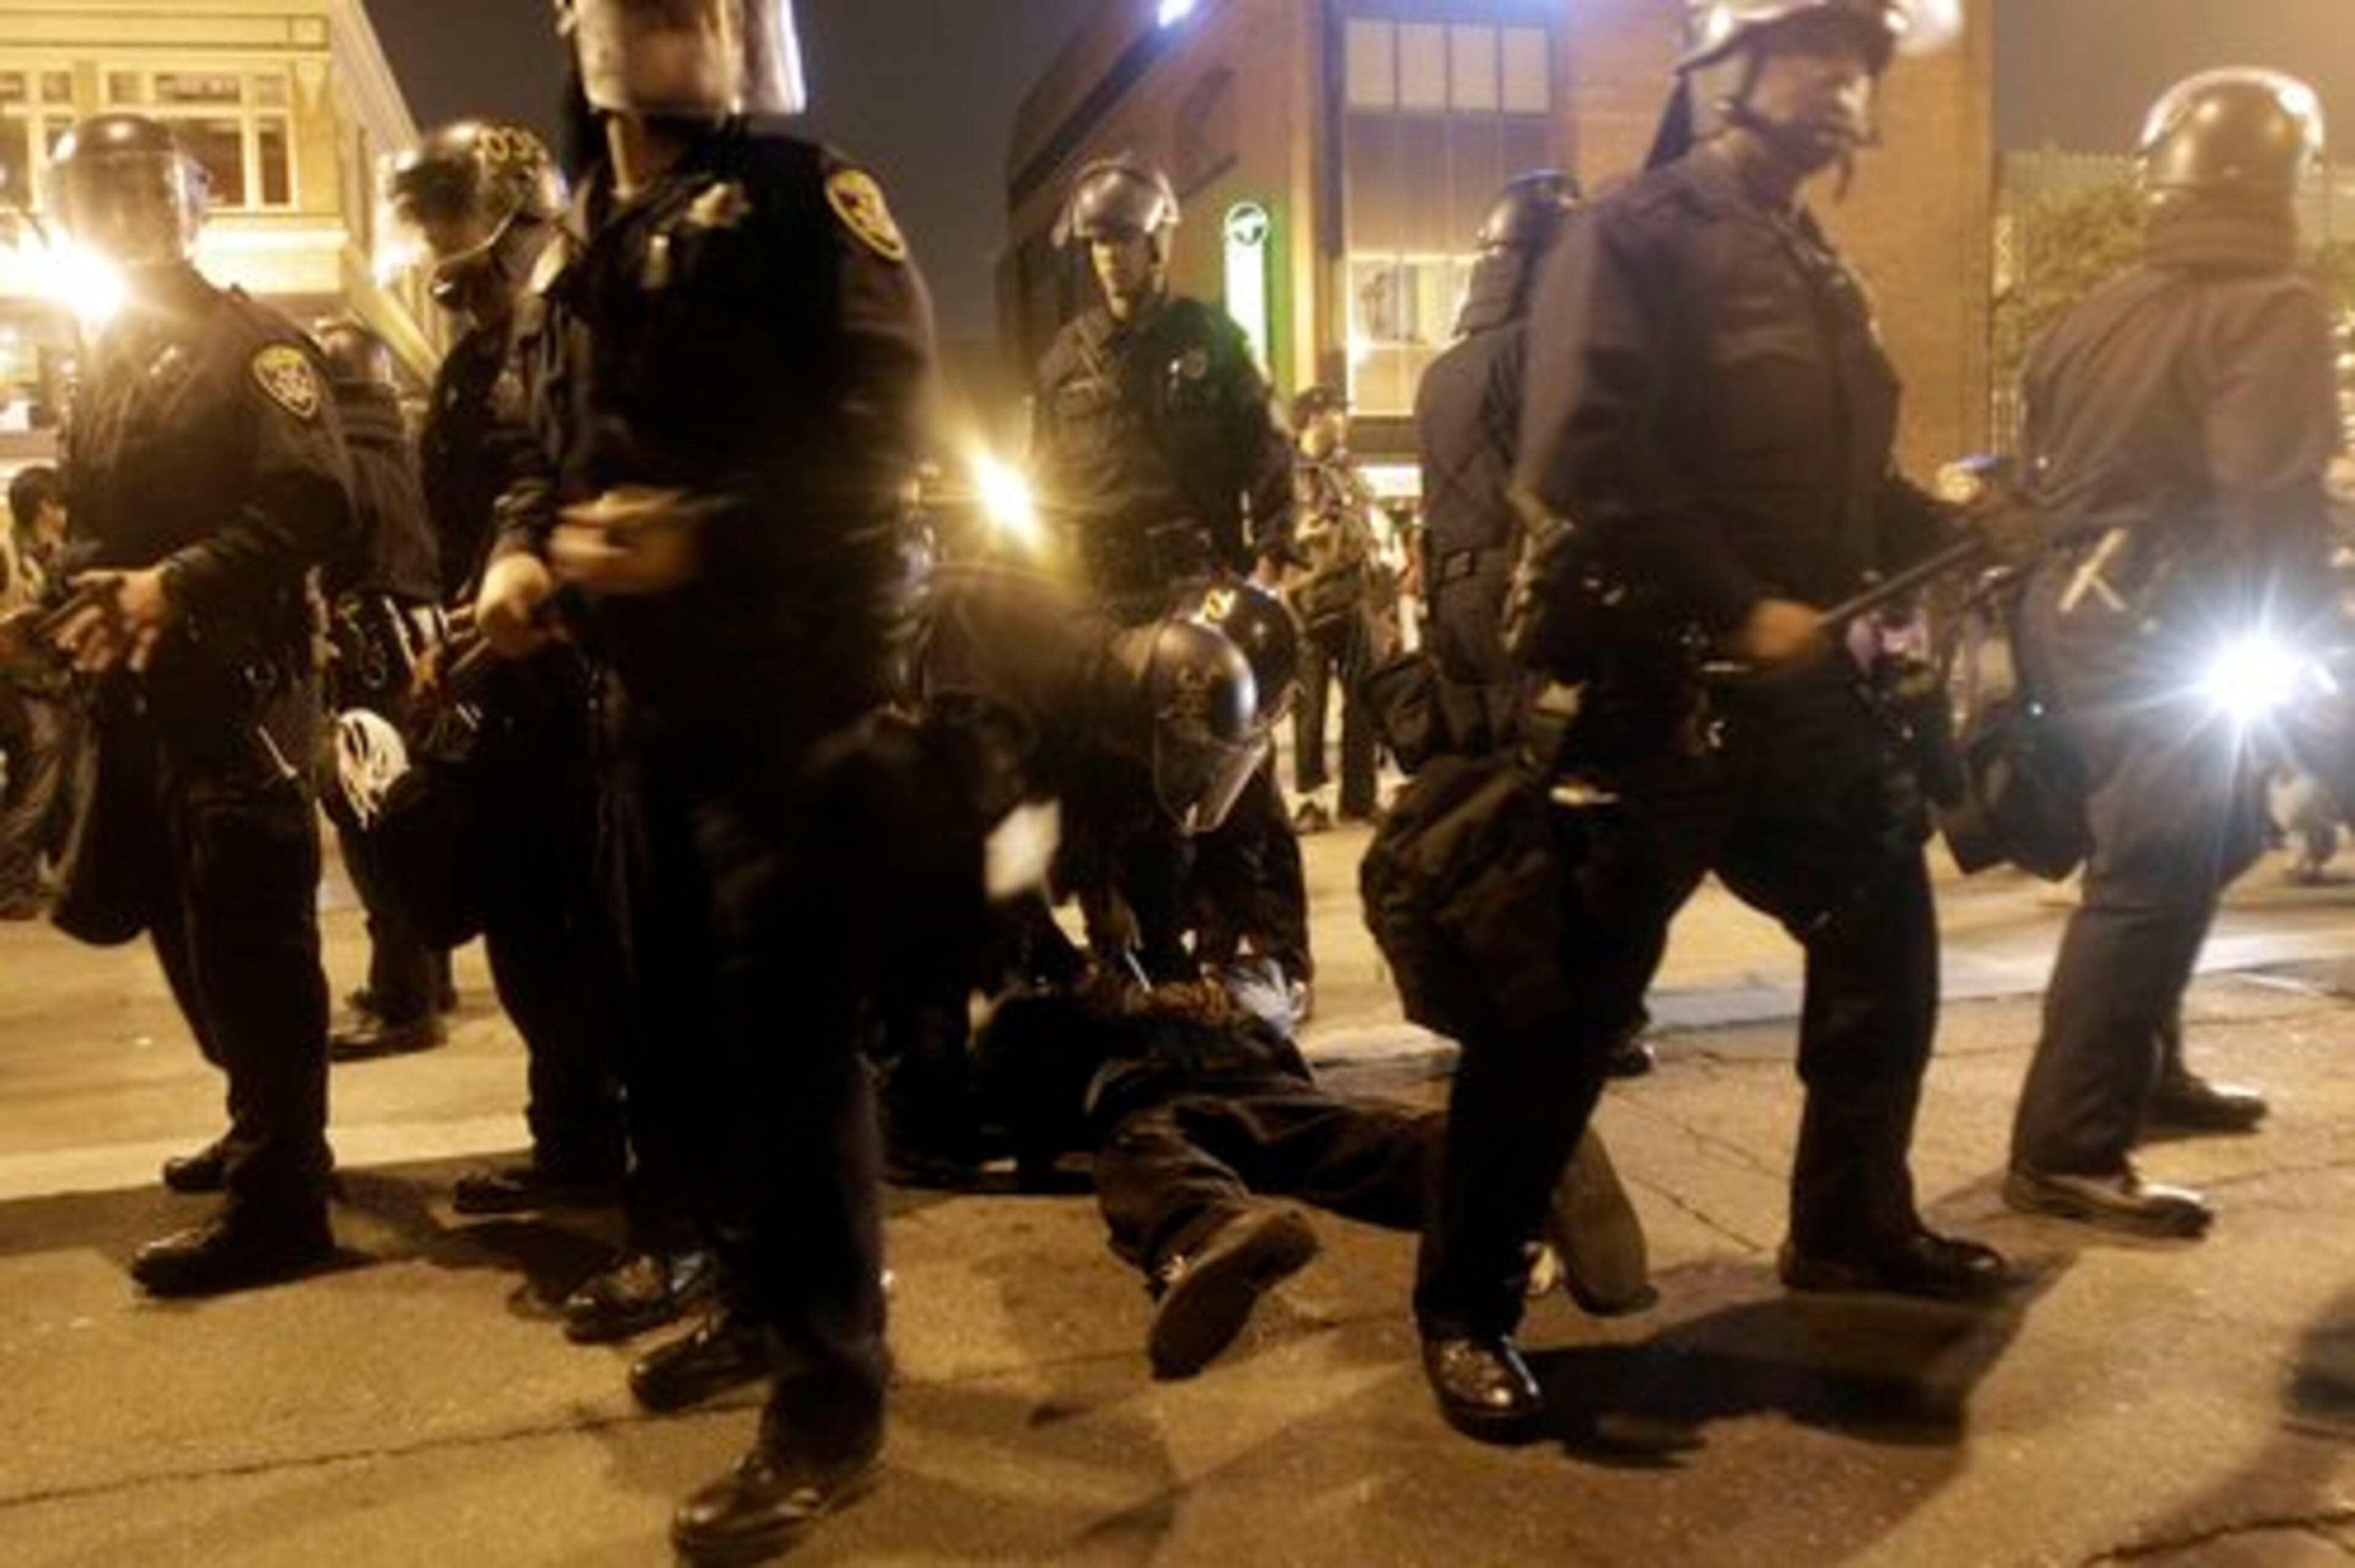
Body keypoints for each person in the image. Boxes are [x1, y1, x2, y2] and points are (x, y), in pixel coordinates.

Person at [1417, 0, 2007, 1443]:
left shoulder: (1813, 261)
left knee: (1882, 933)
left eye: (1861, 63)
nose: (1844, 85)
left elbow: (1847, 490)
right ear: (1730, 69)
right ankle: (1465, 1304)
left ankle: (1849, 1225)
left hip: (1800, 709)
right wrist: (1734, 603)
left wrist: (1959, 522)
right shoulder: (1634, 237)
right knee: (1556, 1016)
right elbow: (1583, 450)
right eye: (1817, 53)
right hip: (1648, 697)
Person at [473, 2, 934, 1559]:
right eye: (668, 12)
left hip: (787, 705)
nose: (703, 39)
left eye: (720, 13)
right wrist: (523, 548)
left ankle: (831, 1401)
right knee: (677, 1043)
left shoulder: (808, 198)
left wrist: (704, 534)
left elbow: (883, 436)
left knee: (795, 1067)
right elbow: (547, 444)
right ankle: (751, 1305)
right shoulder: (575, 239)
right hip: (643, 712)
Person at [2003, 69, 2336, 1239]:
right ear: (2283, 180)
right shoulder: (2271, 307)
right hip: (2180, 625)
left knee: (2201, 841)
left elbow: (2035, 465)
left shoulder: (2096, 311)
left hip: (2076, 617)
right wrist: (2308, 644)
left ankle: (2148, 1066)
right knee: (2152, 872)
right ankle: (2066, 1146)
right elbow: (2270, 494)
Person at [33, 113, 356, 1295]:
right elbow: (108, 529)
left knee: (254, 937)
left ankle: (287, 1200)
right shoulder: (110, 358)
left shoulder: (251, 346)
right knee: (187, 930)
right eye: (95, 199)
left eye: (141, 194)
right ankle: (256, 1124)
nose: (119, 220)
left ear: (190, 203)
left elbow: (314, 502)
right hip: (149, 701)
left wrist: (176, 585)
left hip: (241, 691)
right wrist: (69, 605)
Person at [385, 120, 644, 1316]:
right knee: (526, 935)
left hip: (579, 681)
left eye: (459, 219)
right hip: (495, 677)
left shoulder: (577, 333)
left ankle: (652, 1175)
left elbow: (591, 508)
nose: (446, 253)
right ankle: (573, 1137)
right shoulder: (463, 363)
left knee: (605, 939)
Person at [973, 965, 1652, 1382]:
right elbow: (1278, 1018)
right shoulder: (1184, 977)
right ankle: (1516, 1158)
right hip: (1256, 1066)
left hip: (1152, 1089)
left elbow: (1010, 1096)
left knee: (1146, 1153)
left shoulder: (1042, 1017)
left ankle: (1207, 1230)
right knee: (1355, 1138)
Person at [1029, 155, 1312, 1004]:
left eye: (1125, 237)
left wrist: (1269, 562)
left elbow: (1269, 458)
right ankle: (1137, 951)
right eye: (1098, 241)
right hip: (1096, 600)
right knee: (1109, 783)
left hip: (1196, 585)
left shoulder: (1209, 339)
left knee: (1238, 781)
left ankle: (1273, 954)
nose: (1110, 254)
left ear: (1158, 243)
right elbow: (1038, 480)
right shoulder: (1062, 360)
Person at [309, 316, 451, 1061]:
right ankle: (427, 976)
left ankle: (406, 1001)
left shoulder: (339, 459)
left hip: (370, 649)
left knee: (372, 823)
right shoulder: (407, 448)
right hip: (420, 644)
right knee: (410, 808)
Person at [1412, 171, 1580, 759]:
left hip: (1449, 605)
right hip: (1515, 593)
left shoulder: (1440, 371)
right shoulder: (1537, 351)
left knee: (1473, 779)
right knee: (1537, 780)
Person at [1284, 385, 1381, 831]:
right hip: (1306, 602)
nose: (1342, 420)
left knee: (1364, 701)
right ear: (1312, 419)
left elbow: (1367, 524)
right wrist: (1300, 534)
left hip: (1353, 597)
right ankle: (1310, 800)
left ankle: (1359, 798)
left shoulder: (1349, 470)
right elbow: (1268, 536)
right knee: (1310, 708)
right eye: (1335, 413)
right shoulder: (1287, 475)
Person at [0, 465, 74, 917]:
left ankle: (28, 876)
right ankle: (10, 887)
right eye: (61, 503)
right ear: (47, 506)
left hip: (45, 682)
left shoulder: (51, 552)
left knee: (44, 780)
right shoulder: (6, 551)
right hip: (15, 684)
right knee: (38, 784)